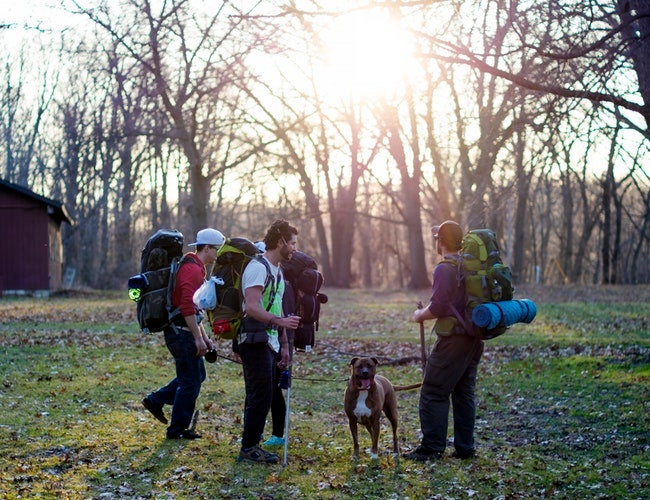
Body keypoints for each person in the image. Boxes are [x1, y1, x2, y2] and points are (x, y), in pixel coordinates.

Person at [403, 220, 484, 461]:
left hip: (453, 340)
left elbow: (437, 307)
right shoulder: (468, 266)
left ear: (442, 241)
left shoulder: (444, 269)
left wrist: (420, 315)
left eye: (437, 237)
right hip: (474, 338)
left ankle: (431, 448)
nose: (435, 242)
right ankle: (465, 448)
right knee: (463, 393)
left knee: (433, 391)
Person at [142, 228, 224, 439]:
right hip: (180, 333)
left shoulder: (196, 268)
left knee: (197, 376)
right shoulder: (192, 270)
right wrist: (197, 338)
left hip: (185, 330)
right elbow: (187, 307)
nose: (218, 254)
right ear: (206, 248)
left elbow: (196, 311)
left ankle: (156, 400)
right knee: (189, 382)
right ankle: (176, 430)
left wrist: (206, 340)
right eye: (217, 250)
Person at [236, 220, 301, 463]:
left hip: (270, 341)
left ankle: (251, 444)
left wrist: (284, 345)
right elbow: (251, 307)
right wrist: (280, 323)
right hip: (253, 339)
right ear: (281, 241)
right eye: (292, 243)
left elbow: (277, 308)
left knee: (265, 393)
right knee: (259, 394)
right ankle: (249, 447)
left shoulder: (278, 271)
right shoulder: (257, 268)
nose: (295, 248)